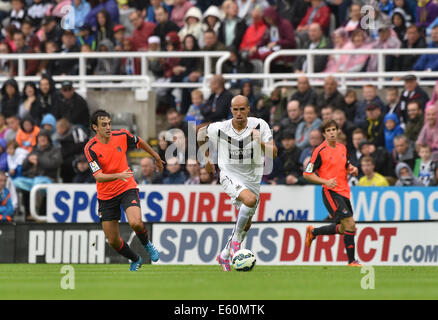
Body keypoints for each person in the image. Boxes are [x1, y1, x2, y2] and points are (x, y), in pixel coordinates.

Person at [197, 95, 277, 272]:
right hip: (229, 173)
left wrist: (260, 143)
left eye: (242, 109)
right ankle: (235, 245)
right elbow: (200, 133)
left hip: (253, 178)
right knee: (248, 201)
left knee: (246, 223)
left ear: (248, 109)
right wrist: (207, 159)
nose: (239, 113)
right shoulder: (221, 128)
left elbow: (274, 153)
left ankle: (224, 255)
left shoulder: (260, 125)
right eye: (235, 109)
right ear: (231, 110)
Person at [84, 109, 163, 271]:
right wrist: (119, 174)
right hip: (106, 196)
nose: (108, 127)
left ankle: (147, 244)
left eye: (109, 124)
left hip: (126, 187)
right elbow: (98, 176)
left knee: (136, 223)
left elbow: (139, 141)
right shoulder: (90, 148)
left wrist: (155, 156)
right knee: (113, 240)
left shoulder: (121, 135)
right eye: (104, 125)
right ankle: (135, 259)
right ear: (95, 128)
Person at [303, 119, 361, 267]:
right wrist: (325, 181)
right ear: (324, 134)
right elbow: (307, 174)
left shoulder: (342, 148)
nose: (332, 133)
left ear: (338, 131)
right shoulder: (319, 151)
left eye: (334, 129)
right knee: (350, 223)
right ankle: (352, 261)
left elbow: (346, 165)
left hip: (345, 192)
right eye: (328, 131)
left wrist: (353, 170)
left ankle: (314, 232)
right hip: (330, 192)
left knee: (344, 228)